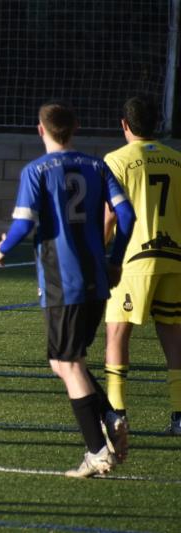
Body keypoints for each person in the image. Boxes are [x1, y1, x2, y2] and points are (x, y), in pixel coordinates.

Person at [0, 101, 135, 477]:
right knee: (65, 361)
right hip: (97, 280)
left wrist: (2, 248)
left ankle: (97, 451)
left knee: (68, 364)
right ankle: (109, 416)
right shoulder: (97, 165)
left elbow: (23, 224)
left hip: (62, 281)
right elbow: (126, 214)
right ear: (75, 128)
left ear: (41, 130)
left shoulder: (36, 170)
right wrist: (116, 259)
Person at [102, 95, 181, 435]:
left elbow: (110, 215)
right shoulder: (177, 160)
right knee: (174, 335)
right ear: (157, 124)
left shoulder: (116, 160)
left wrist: (98, 252)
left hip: (134, 259)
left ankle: (116, 412)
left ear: (124, 124)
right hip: (175, 257)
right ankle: (180, 415)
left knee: (117, 332)